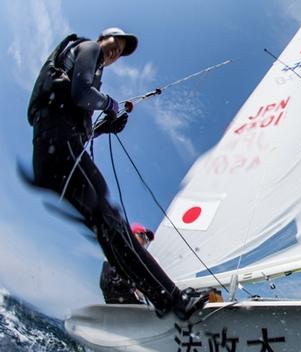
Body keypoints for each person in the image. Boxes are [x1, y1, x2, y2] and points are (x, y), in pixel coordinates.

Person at [27, 28, 207, 320]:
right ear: (103, 38)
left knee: (108, 229)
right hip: (58, 148)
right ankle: (172, 301)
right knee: (113, 225)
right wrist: (110, 104)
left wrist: (106, 126)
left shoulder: (83, 64)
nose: (115, 53)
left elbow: (78, 123)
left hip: (52, 154)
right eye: (115, 44)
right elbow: (82, 93)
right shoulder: (88, 49)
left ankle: (160, 299)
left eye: (120, 52)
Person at [100, 223, 154, 305]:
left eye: (146, 240)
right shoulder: (123, 243)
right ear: (132, 234)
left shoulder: (136, 256)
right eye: (142, 236)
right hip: (113, 282)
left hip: (120, 290)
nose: (144, 241)